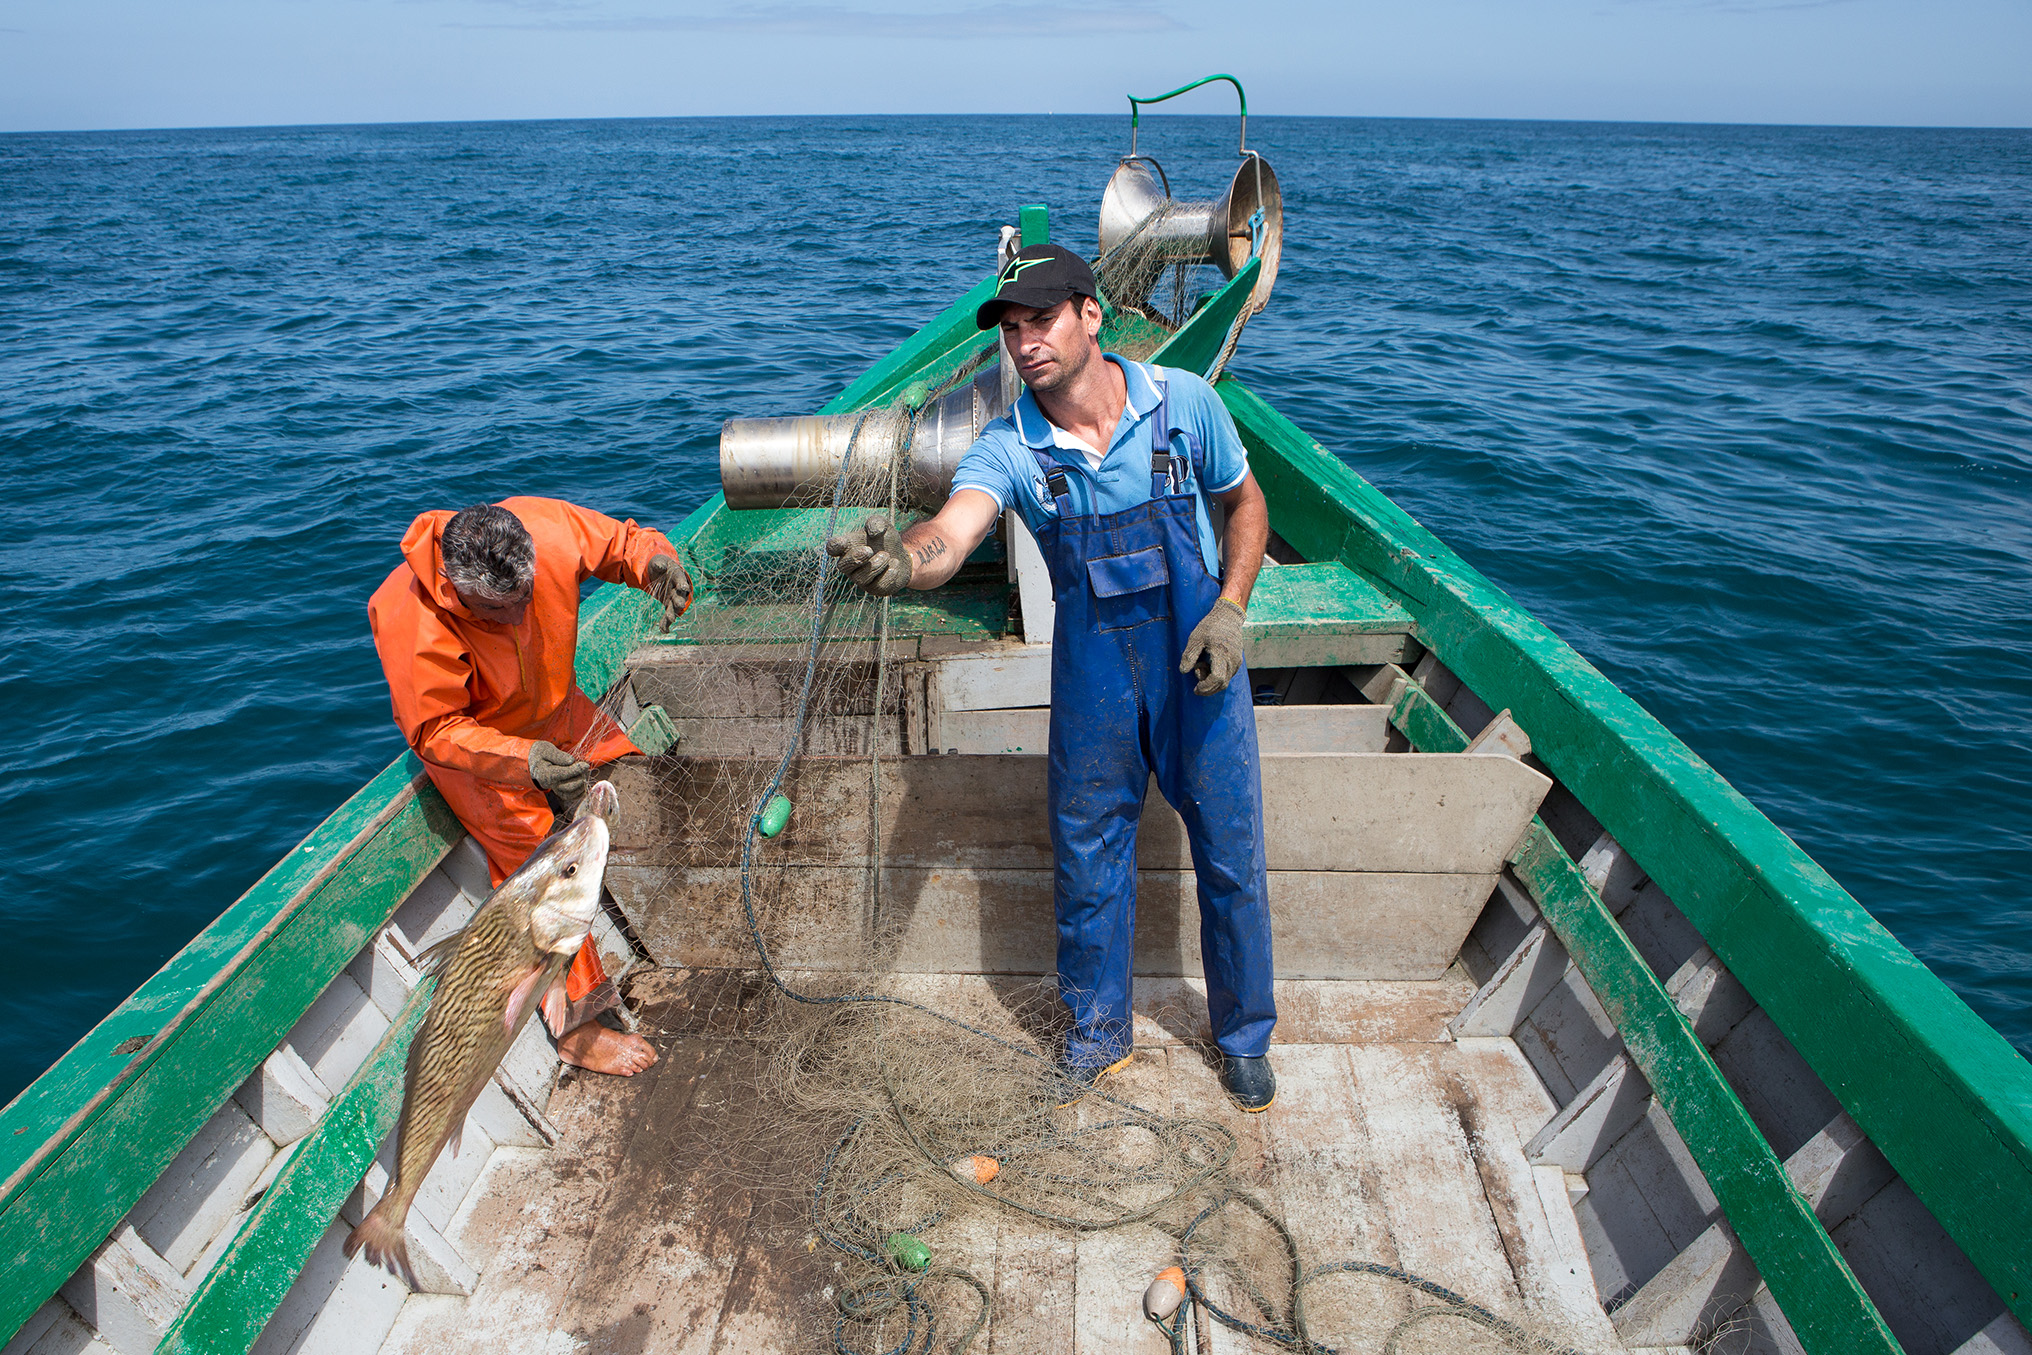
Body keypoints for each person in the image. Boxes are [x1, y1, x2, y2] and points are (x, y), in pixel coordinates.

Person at [826, 245, 1277, 1111]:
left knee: (1230, 850)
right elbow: (951, 534)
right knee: (1089, 857)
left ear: (1091, 314)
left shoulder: (1184, 402)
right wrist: (902, 561)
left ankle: (1244, 1035)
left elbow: (1245, 502)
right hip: (1094, 679)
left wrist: (1231, 608)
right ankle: (1099, 1035)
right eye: (1011, 329)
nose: (1026, 342)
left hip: (1200, 665)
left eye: (1042, 319)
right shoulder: (1011, 447)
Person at [369, 496, 692, 1078]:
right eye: (497, 612)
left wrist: (654, 563)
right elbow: (437, 730)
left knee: (636, 778)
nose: (518, 618)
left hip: (557, 709)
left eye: (526, 598)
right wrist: (525, 762)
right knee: (537, 867)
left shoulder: (544, 527)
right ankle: (578, 1027)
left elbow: (621, 543)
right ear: (455, 590)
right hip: (482, 751)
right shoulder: (408, 615)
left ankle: (663, 913)